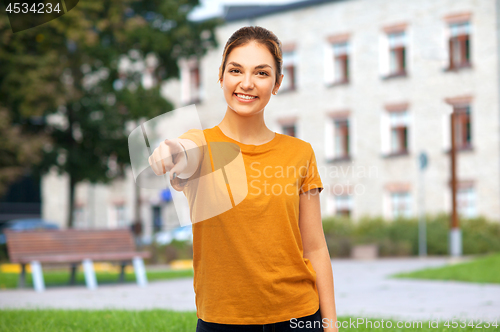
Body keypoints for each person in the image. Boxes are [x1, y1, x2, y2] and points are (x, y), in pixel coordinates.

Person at [148, 26, 338, 332]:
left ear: (277, 83)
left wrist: (330, 327)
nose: (246, 83)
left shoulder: (300, 153)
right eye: (236, 70)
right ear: (221, 75)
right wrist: (169, 151)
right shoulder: (201, 145)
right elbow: (184, 152)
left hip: (299, 318)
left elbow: (315, 248)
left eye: (261, 73)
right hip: (222, 322)